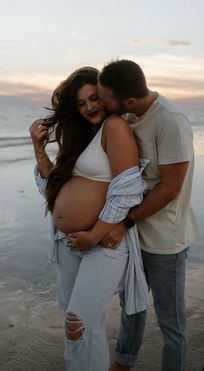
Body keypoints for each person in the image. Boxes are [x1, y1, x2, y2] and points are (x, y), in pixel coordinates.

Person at [29, 67, 149, 371]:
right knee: (84, 325)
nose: (89, 107)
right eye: (81, 104)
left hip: (102, 241)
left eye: (94, 99)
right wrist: (38, 148)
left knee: (77, 322)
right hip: (70, 242)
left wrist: (93, 236)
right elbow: (51, 190)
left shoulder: (115, 127)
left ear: (106, 97)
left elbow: (126, 190)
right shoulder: (82, 137)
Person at [97, 59, 199, 371]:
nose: (101, 105)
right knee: (132, 310)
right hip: (134, 236)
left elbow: (169, 188)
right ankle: (123, 364)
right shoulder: (126, 114)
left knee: (171, 322)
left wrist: (124, 221)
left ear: (128, 101)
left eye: (105, 100)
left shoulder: (169, 121)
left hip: (165, 242)